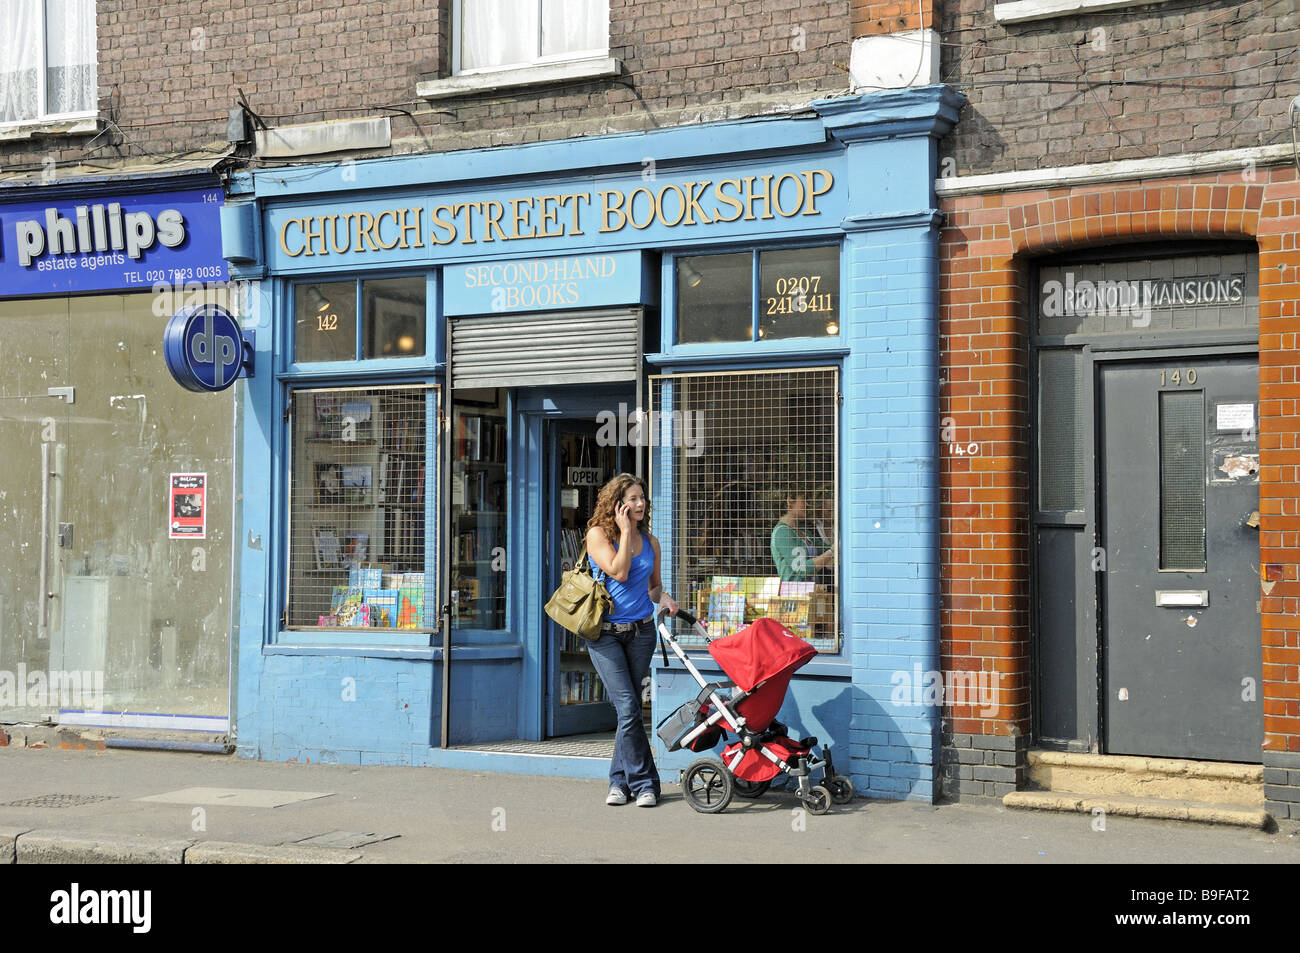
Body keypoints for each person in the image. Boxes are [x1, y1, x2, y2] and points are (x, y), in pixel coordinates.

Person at [585, 472, 679, 808]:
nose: (640, 504)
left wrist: (665, 598)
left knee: (630, 711)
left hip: (641, 632)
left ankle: (618, 782)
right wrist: (625, 533)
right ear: (617, 504)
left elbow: (652, 587)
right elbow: (620, 572)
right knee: (627, 707)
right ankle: (645, 784)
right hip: (605, 635)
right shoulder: (597, 536)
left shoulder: (651, 542)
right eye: (633, 499)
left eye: (642, 498)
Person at [770, 488, 834, 583]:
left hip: (812, 591)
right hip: (795, 594)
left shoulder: (804, 531)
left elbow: (824, 549)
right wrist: (832, 552)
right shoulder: (782, 532)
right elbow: (800, 567)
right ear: (790, 501)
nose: (807, 505)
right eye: (803, 499)